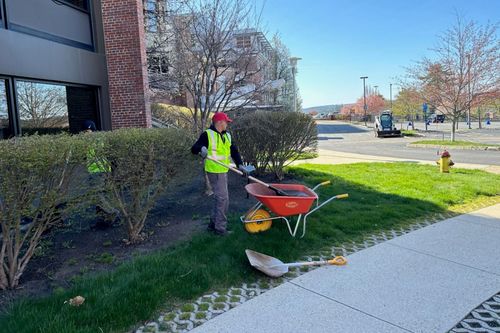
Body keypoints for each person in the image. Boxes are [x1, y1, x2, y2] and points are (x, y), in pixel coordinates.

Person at [191, 112, 246, 236]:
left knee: (219, 199)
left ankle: (213, 224)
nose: (227, 124)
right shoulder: (207, 135)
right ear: (220, 122)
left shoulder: (227, 136)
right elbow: (194, 148)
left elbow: (234, 151)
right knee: (223, 199)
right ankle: (220, 228)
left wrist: (240, 164)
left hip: (223, 170)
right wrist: (201, 149)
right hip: (215, 171)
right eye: (226, 122)